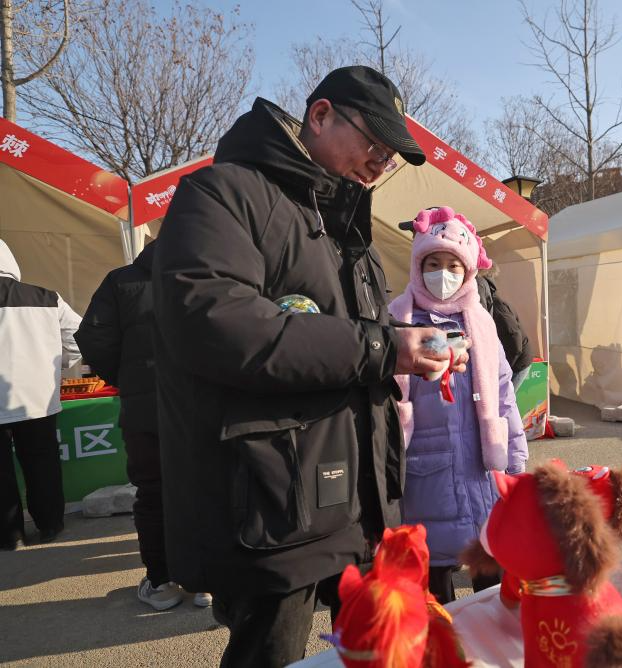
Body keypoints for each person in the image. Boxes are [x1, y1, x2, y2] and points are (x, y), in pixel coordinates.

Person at [151, 66, 466, 667]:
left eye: (390, 157)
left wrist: (412, 347)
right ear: (320, 116)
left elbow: (356, 342)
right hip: (276, 501)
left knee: (374, 651)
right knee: (271, 652)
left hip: (360, 498)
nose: (379, 164)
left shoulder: (349, 229)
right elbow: (216, 323)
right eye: (373, 143)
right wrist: (385, 349)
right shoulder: (224, 193)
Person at [389, 206, 529, 604]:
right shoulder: (399, 321)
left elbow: (503, 395)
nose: (443, 274)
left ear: (468, 271)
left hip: (480, 468)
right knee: (434, 581)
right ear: (418, 266)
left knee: (492, 574)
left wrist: (516, 459)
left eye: (453, 265)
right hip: (423, 469)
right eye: (433, 264)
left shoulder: (480, 322)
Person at [75, 242, 212, 610]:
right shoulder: (212, 274)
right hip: (203, 407)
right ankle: (206, 581)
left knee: (153, 494)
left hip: (145, 410)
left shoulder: (119, 281)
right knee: (208, 490)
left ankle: (162, 582)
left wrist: (127, 378)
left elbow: (93, 339)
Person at [0, 240, 81, 550]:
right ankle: (50, 525)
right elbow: (79, 338)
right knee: (42, 462)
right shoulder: (47, 297)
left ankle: (10, 536)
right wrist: (53, 367)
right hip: (37, 398)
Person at [476, 269, 534, 390]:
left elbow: (514, 340)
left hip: (519, 363)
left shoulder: (498, 307)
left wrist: (505, 367)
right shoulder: (494, 304)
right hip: (515, 357)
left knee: (506, 396)